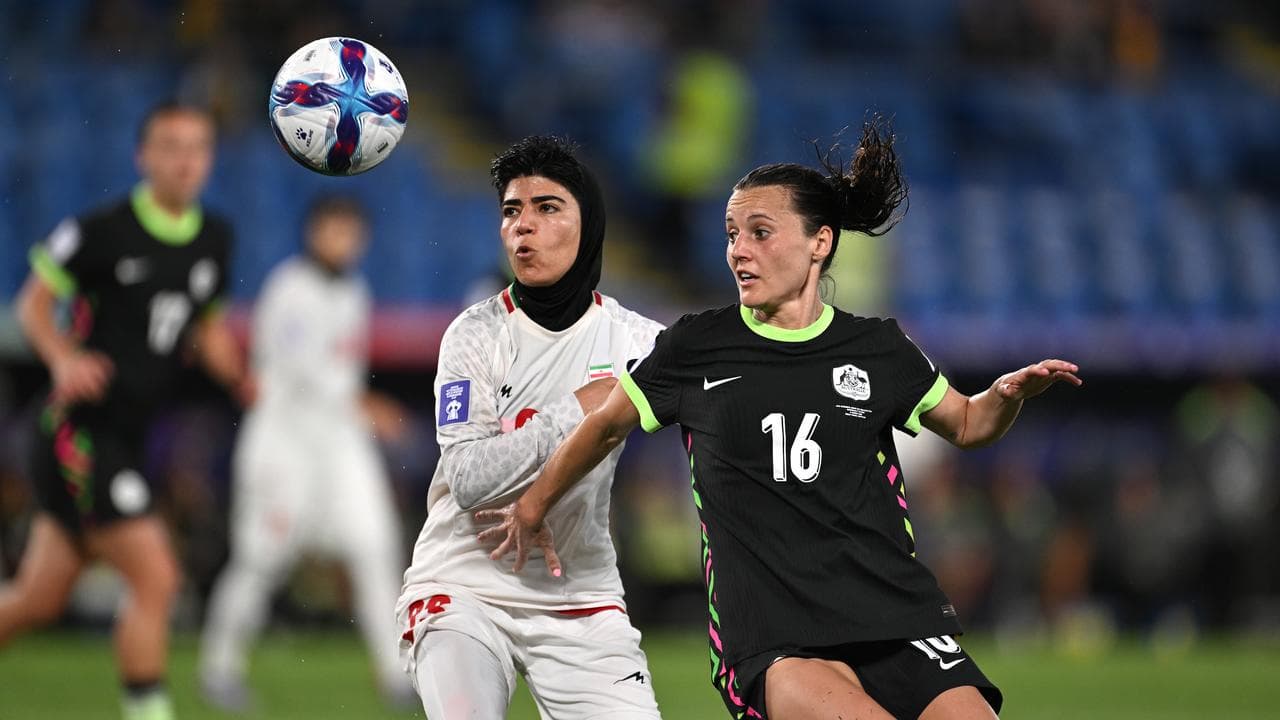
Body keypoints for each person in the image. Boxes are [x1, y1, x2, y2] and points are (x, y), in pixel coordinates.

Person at [480, 119, 1083, 720]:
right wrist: (534, 505)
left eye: (760, 233)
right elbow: (607, 423)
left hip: (895, 617)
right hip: (776, 636)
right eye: (731, 234)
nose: (738, 250)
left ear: (820, 243)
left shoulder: (878, 347)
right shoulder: (696, 346)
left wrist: (1007, 394)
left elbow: (970, 425)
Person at [395, 135, 665, 719]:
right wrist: (577, 409)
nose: (524, 225)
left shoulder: (638, 341)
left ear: (588, 224)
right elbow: (468, 477)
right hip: (463, 584)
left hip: (580, 593)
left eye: (547, 208)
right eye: (512, 210)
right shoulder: (474, 335)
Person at [3, 102, 249, 720]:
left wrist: (242, 375)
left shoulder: (216, 239)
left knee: (37, 600)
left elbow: (205, 327)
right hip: (79, 433)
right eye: (171, 146)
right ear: (144, 156)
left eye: (197, 148)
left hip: (128, 437)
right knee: (156, 575)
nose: (185, 160)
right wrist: (63, 358)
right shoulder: (103, 231)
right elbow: (33, 304)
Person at [199, 195, 413, 711]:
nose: (343, 240)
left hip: (339, 442)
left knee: (375, 547)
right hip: (284, 443)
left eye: (351, 231)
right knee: (261, 559)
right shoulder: (289, 289)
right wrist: (367, 405)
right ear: (313, 233)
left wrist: (358, 408)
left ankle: (397, 675)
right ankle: (219, 668)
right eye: (333, 229)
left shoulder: (354, 290)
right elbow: (304, 370)